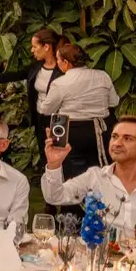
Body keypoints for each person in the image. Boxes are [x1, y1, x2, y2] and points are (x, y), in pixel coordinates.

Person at [41, 116, 136, 233]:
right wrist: (54, 164)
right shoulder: (94, 177)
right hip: (100, 261)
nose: (117, 143)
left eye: (127, 138)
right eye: (114, 136)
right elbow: (54, 197)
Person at [0, 27, 62, 155]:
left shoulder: (62, 70)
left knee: (58, 153)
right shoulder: (36, 67)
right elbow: (13, 75)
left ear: (46, 47)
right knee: (44, 153)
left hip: (58, 119)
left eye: (35, 47)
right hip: (39, 118)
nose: (32, 50)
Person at [37, 42, 119, 182]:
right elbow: (114, 102)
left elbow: (46, 109)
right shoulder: (103, 75)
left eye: (58, 59)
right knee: (101, 171)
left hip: (70, 130)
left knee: (72, 172)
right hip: (101, 129)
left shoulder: (60, 83)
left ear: (66, 62)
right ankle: (104, 201)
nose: (57, 63)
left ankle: (74, 202)